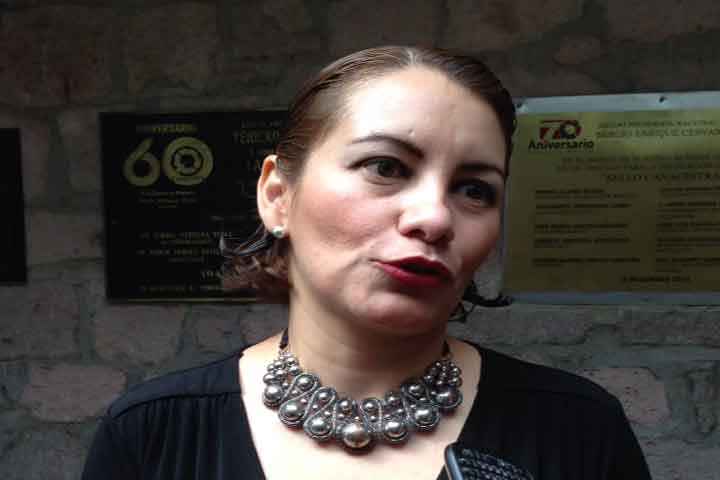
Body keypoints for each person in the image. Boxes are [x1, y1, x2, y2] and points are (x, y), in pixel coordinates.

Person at [82, 46, 651, 479]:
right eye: (386, 167)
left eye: (475, 190)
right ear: (278, 195)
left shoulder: (580, 430)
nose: (435, 217)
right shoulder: (150, 434)